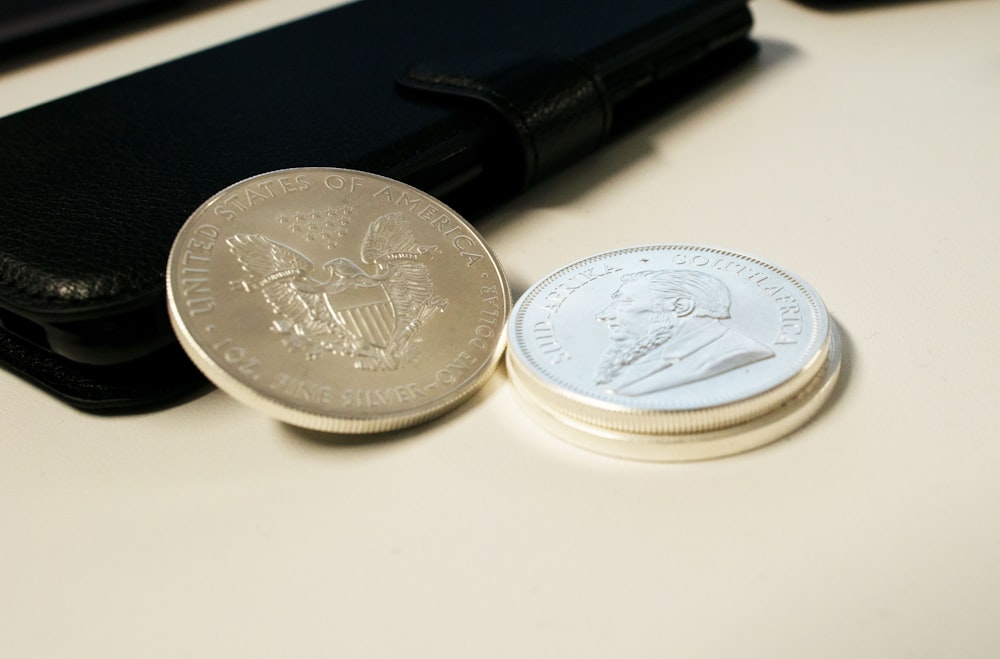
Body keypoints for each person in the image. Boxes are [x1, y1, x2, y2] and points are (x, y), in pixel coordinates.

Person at [595, 269, 774, 395]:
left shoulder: (736, 353)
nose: (604, 315)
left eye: (625, 302)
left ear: (681, 307)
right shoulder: (651, 350)